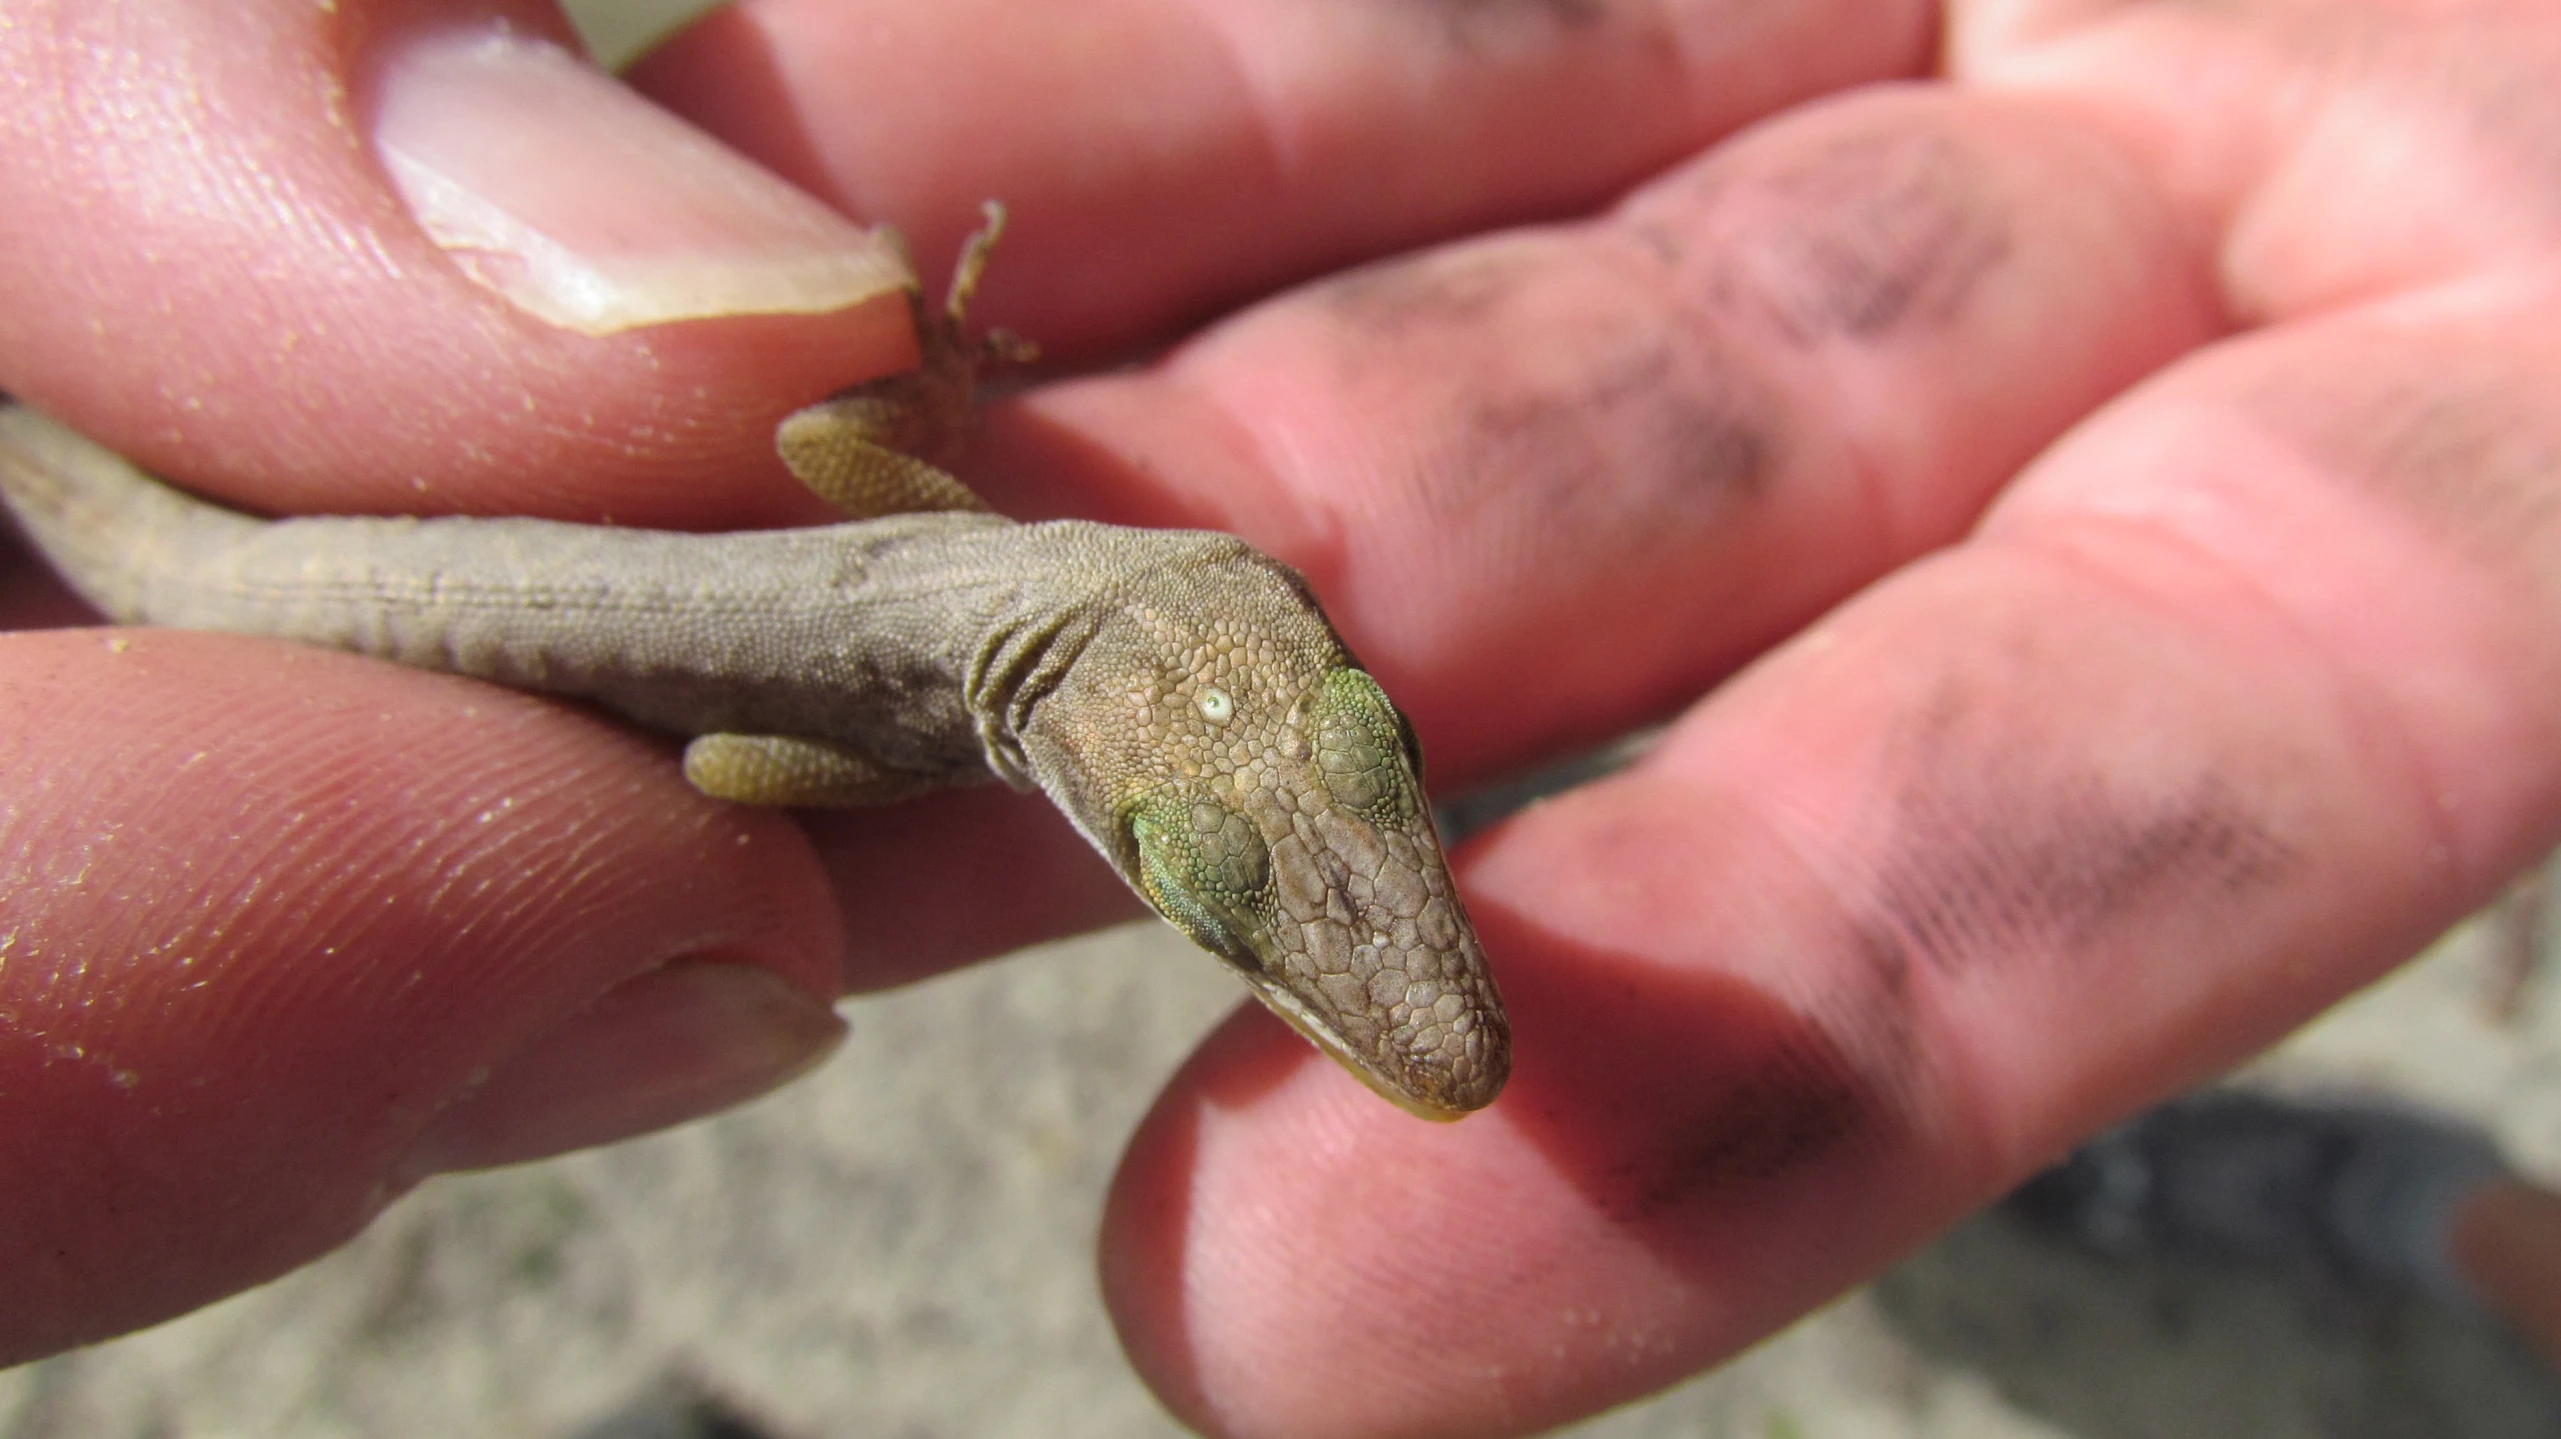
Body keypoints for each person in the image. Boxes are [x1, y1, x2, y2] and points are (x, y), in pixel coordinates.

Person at [5, 1, 2560, 1433]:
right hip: (249, 597)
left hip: (268, 561)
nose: (1370, 962)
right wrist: (851, 742)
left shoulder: (965, 567)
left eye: (1356, 796)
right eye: (1218, 888)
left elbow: (835, 455)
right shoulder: (916, 686)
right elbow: (722, 753)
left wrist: (949, 376)